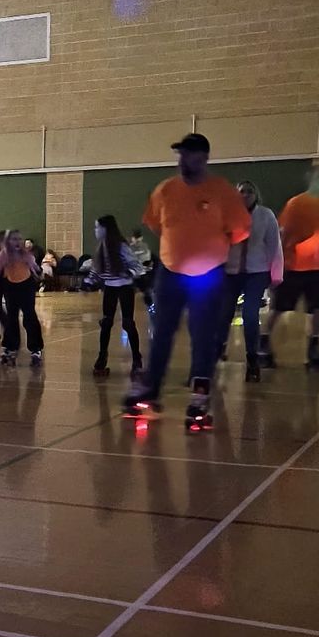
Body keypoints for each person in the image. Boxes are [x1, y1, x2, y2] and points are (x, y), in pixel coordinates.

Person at [124, 133, 250, 429]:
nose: (182, 160)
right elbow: (157, 224)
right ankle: (150, 390)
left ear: (204, 157)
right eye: (180, 155)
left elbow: (240, 231)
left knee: (202, 335)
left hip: (208, 275)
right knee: (162, 332)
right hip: (171, 273)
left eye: (189, 155)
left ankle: (199, 396)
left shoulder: (222, 191)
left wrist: (218, 258)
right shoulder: (165, 190)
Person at [260, 168, 319, 373]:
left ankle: (314, 347)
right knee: (279, 307)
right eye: (318, 179)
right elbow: (282, 235)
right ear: (310, 180)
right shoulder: (296, 204)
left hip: (317, 269)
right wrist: (276, 264)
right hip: (293, 267)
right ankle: (263, 342)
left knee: (317, 308)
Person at [219, 181, 283, 381]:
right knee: (224, 313)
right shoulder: (228, 215)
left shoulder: (265, 215)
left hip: (256, 272)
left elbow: (274, 245)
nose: (245, 195)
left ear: (256, 194)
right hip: (232, 272)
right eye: (241, 192)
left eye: (249, 191)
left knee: (250, 314)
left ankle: (252, 360)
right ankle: (218, 350)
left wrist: (276, 274)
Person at [90, 215, 144, 380]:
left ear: (106, 229)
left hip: (125, 288)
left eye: (98, 227)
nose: (96, 231)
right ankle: (102, 356)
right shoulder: (102, 247)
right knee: (106, 323)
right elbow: (97, 269)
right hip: (110, 288)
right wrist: (89, 281)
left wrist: (129, 272)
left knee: (128, 323)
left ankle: (137, 359)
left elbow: (137, 266)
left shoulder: (120, 246)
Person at [0, 230, 43, 366]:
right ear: (8, 241)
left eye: (19, 239)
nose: (17, 242)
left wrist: (38, 270)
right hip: (11, 287)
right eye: (14, 239)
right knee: (11, 318)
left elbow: (35, 268)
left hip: (26, 286)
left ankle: (35, 348)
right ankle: (10, 346)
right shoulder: (3, 254)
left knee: (29, 316)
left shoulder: (27, 255)